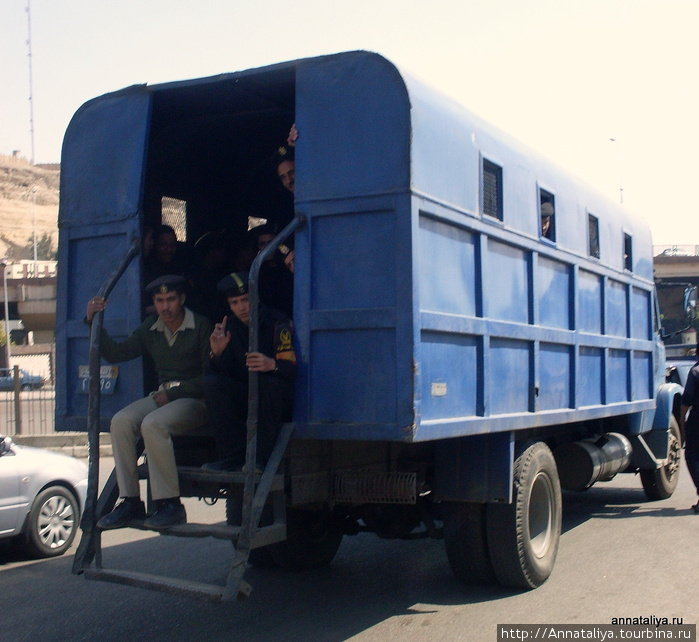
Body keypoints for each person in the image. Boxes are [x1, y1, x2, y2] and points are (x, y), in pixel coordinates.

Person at [86, 275, 213, 529]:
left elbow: (211, 378)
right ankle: (131, 501)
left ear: (182, 299)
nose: (165, 307)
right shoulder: (150, 328)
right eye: (159, 301)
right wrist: (93, 321)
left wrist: (175, 394)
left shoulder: (200, 326)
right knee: (121, 421)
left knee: (153, 424)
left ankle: (170, 505)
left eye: (170, 299)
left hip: (195, 400)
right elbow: (116, 352)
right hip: (162, 396)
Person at [202, 272, 295, 472]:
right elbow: (223, 373)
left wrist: (272, 364)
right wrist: (216, 354)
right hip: (246, 392)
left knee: (271, 386)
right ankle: (230, 457)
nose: (241, 307)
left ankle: (260, 460)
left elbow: (291, 368)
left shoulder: (277, 322)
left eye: (245, 300)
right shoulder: (231, 328)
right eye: (235, 302)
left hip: (274, 396)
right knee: (212, 384)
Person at [679, 352, 699, 513]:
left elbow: (686, 400)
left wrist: (681, 420)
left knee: (692, 455)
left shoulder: (695, 372)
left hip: (697, 420)